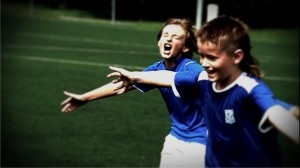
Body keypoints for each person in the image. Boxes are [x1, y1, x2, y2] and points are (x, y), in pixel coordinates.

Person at [107, 15, 299, 167]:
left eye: (212, 58)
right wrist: (134, 76)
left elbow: (278, 113)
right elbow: (166, 77)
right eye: (203, 57)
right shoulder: (201, 79)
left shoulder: (249, 90)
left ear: (236, 57)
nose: (204, 64)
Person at [61, 18, 207, 167]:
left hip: (201, 141)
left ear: (186, 47)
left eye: (176, 37)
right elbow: (122, 84)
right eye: (165, 34)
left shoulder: (192, 68)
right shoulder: (157, 67)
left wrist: (135, 76)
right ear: (158, 42)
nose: (168, 38)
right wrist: (85, 97)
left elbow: (170, 77)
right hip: (175, 137)